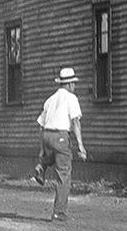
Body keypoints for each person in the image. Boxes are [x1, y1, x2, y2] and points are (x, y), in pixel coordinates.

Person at [32, 67, 88, 221]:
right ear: (69, 84)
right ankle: (59, 212)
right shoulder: (71, 98)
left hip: (46, 135)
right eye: (73, 84)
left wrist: (42, 150)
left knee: (52, 154)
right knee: (64, 173)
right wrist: (81, 146)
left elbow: (41, 125)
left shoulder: (50, 100)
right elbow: (76, 121)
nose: (74, 87)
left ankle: (41, 166)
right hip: (60, 135)